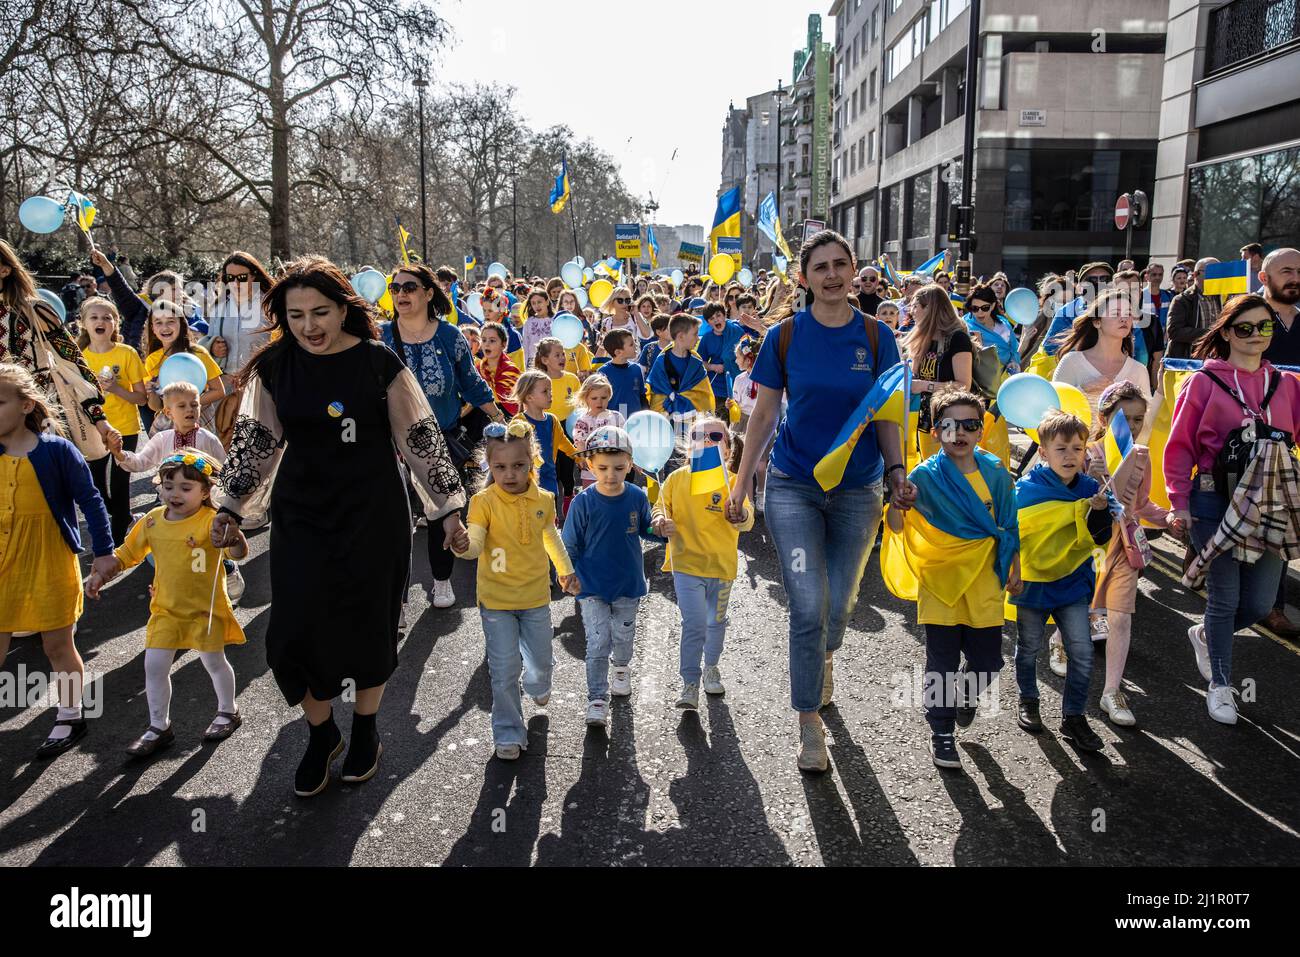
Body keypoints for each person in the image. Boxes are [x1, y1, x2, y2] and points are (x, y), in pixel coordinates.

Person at [211, 257, 466, 797]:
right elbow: (256, 441)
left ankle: (367, 731)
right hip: (302, 513)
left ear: (344, 308)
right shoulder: (276, 367)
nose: (309, 325)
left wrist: (448, 509)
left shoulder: (378, 363)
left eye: (320, 311)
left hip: (373, 512)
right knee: (293, 633)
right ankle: (321, 731)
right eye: (296, 314)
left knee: (369, 625)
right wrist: (229, 506)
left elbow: (420, 438)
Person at [730, 230, 912, 773]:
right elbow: (762, 416)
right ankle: (809, 722)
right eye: (820, 267)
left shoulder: (879, 338)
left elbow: (886, 415)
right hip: (793, 484)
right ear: (803, 277)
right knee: (808, 604)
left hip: (859, 489)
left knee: (841, 602)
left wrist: (899, 472)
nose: (832, 275)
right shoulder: (784, 338)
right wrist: (741, 482)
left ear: (854, 270)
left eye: (841, 265)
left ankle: (825, 655)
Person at [1165, 294, 1300, 724]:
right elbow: (1179, 446)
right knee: (1224, 597)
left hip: (1270, 503)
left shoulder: (1289, 385)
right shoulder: (1203, 382)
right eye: (1245, 327)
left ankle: (1204, 635)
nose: (1256, 336)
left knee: (1260, 604)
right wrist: (1178, 503)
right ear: (1226, 332)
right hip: (1213, 499)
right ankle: (1221, 685)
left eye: (1265, 327)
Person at [883, 390, 1021, 769]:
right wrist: (898, 503)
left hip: (984, 582)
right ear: (934, 431)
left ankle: (966, 697)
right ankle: (941, 732)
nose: (959, 433)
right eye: (949, 425)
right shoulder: (923, 477)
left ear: (981, 431)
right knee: (940, 663)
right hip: (941, 583)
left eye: (969, 425)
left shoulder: (995, 471)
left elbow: (1009, 525)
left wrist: (1016, 568)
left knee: (989, 663)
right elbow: (896, 526)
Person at [87, 450, 248, 756]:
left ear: (205, 492)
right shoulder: (151, 521)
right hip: (165, 610)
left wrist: (236, 539)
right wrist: (99, 576)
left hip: (205, 611)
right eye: (168, 485)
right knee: (154, 667)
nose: (175, 494)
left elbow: (237, 555)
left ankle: (229, 710)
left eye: (186, 488)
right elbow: (126, 554)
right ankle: (159, 726)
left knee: (214, 663)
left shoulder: (211, 522)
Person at [0, 362, 116, 758]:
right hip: (3, 566)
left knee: (56, 646)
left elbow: (91, 501)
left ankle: (71, 714)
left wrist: (103, 554)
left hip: (49, 562)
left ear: (26, 404)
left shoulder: (56, 451)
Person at [450, 420, 579, 760]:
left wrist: (565, 571)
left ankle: (537, 684)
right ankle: (507, 731)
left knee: (540, 662)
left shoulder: (545, 500)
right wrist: (462, 546)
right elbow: (475, 544)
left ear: (532, 462)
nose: (509, 474)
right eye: (501, 467)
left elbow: (551, 537)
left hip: (536, 597)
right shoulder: (483, 502)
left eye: (518, 466)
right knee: (503, 668)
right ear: (490, 467)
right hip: (496, 600)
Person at [380, 262, 504, 609]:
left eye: (408, 288)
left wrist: (504, 421)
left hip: (441, 440)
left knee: (441, 511)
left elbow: (471, 383)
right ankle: (397, 596)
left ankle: (441, 580)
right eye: (395, 288)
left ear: (428, 293)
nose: (400, 294)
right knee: (395, 519)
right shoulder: (382, 337)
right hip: (392, 444)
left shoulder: (451, 337)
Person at [1012, 410, 1112, 745]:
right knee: (1028, 648)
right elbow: (1014, 535)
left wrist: (1100, 508)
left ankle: (1074, 717)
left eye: (1077, 448)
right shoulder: (1025, 490)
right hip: (1033, 584)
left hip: (1072, 583)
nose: (1070, 456)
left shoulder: (1091, 489)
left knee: (1082, 652)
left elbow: (1100, 538)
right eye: (1061, 448)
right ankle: (1028, 701)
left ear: (1086, 451)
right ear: (1042, 452)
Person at [1081, 382, 1175, 726]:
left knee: (1120, 617)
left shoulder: (1141, 455)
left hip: (1124, 546)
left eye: (1139, 419)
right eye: (1125, 417)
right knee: (1077, 605)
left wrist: (1166, 518)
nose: (1133, 425)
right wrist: (1087, 484)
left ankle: (1111, 690)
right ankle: (1059, 641)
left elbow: (1141, 503)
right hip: (1089, 545)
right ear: (1105, 417)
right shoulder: (1087, 452)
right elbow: (1068, 501)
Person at [561, 426, 663, 730]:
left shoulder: (635, 496)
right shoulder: (582, 502)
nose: (610, 474)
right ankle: (596, 698)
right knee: (597, 641)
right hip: (591, 585)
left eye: (619, 468)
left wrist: (660, 531)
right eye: (602, 468)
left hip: (628, 583)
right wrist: (567, 574)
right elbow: (569, 543)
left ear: (630, 464)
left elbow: (645, 528)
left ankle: (621, 668)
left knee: (623, 636)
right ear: (590, 465)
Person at [653, 416, 753, 710]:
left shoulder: (733, 482)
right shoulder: (676, 479)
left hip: (721, 568)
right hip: (686, 565)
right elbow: (659, 508)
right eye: (698, 436)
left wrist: (741, 515)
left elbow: (747, 522)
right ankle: (690, 682)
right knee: (694, 623)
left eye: (715, 437)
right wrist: (659, 521)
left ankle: (711, 666)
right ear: (689, 446)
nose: (706, 441)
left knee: (716, 622)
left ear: (728, 450)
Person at [0, 240, 119, 456]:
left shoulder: (35, 311)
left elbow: (75, 364)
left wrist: (99, 420)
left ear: (5, 270)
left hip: (35, 419)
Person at [1256, 248, 1300, 638]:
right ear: (1264, 277)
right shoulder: (1249, 318)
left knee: (1282, 515)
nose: (1295, 277)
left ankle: (1272, 605)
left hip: (1293, 437)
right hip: (1251, 432)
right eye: (1287, 270)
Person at [77, 296, 146, 545]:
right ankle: (123, 516)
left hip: (125, 429)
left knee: (120, 486)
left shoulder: (127, 354)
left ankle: (116, 545)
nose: (101, 321)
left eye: (107, 317)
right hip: (92, 430)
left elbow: (141, 398)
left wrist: (116, 389)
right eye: (94, 317)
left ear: (116, 323)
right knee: (95, 486)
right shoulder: (78, 357)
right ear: (83, 323)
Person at [198, 251, 274, 448]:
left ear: (254, 275)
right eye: (230, 278)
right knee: (224, 436)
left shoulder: (269, 304)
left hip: (260, 383)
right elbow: (208, 339)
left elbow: (279, 342)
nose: (236, 283)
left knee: (258, 443)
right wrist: (213, 345)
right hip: (226, 383)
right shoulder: (220, 305)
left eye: (242, 277)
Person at [1052, 289, 1151, 420]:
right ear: (1097, 322)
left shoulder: (1139, 370)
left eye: (1128, 314)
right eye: (1115, 313)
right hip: (1078, 440)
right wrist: (1083, 390)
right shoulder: (1071, 362)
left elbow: (1147, 420)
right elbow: (1053, 412)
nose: (1124, 319)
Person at [907, 284, 974, 459]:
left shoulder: (958, 339)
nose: (910, 310)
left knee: (948, 467)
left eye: (915, 306)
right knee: (929, 467)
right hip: (925, 418)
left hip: (951, 419)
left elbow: (963, 385)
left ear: (930, 308)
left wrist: (923, 386)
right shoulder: (923, 339)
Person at [140, 300, 225, 423]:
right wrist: (152, 392)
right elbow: (156, 406)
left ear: (181, 323)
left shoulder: (198, 353)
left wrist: (188, 404)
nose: (165, 327)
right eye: (159, 322)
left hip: (197, 418)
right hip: (168, 422)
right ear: (153, 328)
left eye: (171, 321)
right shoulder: (152, 360)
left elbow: (219, 391)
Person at [510, 369, 578, 505]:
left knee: (550, 516)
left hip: (549, 476)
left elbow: (563, 442)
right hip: (528, 479)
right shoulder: (519, 421)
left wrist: (578, 457)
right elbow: (510, 451)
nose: (550, 395)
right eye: (545, 391)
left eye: (550, 391)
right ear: (529, 397)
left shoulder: (552, 420)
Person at [534, 337, 581, 511]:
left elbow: (580, 405)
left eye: (563, 354)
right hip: (546, 427)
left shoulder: (572, 379)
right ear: (545, 360)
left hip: (568, 427)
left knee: (568, 469)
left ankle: (569, 497)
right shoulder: (539, 381)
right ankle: (550, 508)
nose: (562, 358)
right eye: (557, 355)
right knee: (549, 469)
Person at [648, 314, 714, 427]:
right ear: (681, 336)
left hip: (694, 423)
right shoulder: (662, 361)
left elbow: (704, 394)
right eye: (695, 334)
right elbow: (656, 394)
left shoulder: (696, 361)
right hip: (668, 422)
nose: (698, 338)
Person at [1040, 262, 1115, 356]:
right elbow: (1051, 348)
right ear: (1079, 287)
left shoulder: (1125, 310)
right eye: (1091, 280)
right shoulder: (1066, 313)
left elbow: (1136, 349)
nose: (1099, 283)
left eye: (1105, 279)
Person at [571, 373, 625, 489]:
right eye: (594, 398)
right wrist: (583, 458)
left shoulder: (616, 417)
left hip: (614, 470)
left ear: (609, 396)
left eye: (603, 398)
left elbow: (624, 440)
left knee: (613, 499)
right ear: (586, 398)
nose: (599, 402)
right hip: (591, 472)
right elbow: (580, 442)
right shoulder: (583, 421)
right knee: (592, 501)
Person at [1166, 257, 1223, 359]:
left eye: (1219, 272)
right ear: (1196, 274)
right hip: (1189, 361)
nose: (1217, 276)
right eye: (1212, 272)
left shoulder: (1222, 298)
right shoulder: (1181, 300)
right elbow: (1174, 332)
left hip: (1214, 358)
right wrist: (1210, 333)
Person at [962, 282, 1020, 376]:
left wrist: (1014, 361)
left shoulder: (1003, 322)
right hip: (981, 381)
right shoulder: (964, 325)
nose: (980, 312)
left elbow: (1014, 348)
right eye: (975, 308)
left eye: (985, 308)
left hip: (1007, 376)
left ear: (992, 306)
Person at [698, 302, 745, 416]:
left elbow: (747, 355)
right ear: (708, 322)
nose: (716, 320)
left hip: (738, 386)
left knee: (737, 424)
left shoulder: (737, 332)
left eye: (718, 315)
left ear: (724, 315)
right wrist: (712, 367)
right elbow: (699, 362)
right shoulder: (707, 338)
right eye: (711, 318)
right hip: (717, 388)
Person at [599, 329, 646, 422]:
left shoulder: (637, 369)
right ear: (618, 352)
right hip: (613, 422)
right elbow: (600, 401)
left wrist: (646, 414)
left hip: (636, 421)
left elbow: (642, 396)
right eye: (631, 344)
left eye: (635, 342)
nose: (636, 346)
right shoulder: (603, 372)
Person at [477, 321, 521, 416]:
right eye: (484, 340)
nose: (487, 344)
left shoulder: (510, 370)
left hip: (507, 416)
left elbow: (514, 406)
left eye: (492, 341)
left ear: (503, 344)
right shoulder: (478, 368)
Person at [521, 288, 555, 367]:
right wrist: (526, 365)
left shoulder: (555, 320)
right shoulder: (528, 323)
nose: (537, 306)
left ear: (547, 302)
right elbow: (525, 346)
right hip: (533, 362)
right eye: (533, 303)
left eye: (539, 302)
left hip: (552, 362)